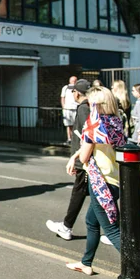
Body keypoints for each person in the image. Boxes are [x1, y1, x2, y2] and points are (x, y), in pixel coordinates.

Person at [65, 86, 130, 276]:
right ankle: (86, 263)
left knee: (111, 230)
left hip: (101, 181)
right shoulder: (115, 122)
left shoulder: (95, 124)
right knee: (91, 221)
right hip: (116, 179)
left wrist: (75, 156)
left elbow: (85, 157)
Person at [46, 79, 91, 240]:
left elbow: (86, 137)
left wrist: (76, 159)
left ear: (77, 93)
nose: (72, 93)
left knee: (79, 194)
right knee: (95, 198)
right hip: (85, 158)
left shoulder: (84, 109)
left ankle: (66, 226)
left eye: (73, 91)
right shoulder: (89, 107)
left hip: (85, 160)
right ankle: (116, 230)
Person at [61, 76, 78, 143]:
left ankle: (75, 139)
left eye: (75, 81)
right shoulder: (65, 88)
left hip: (75, 108)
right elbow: (62, 97)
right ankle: (69, 138)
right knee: (68, 124)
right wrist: (63, 106)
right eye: (72, 81)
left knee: (75, 125)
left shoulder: (77, 88)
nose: (73, 82)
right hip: (67, 108)